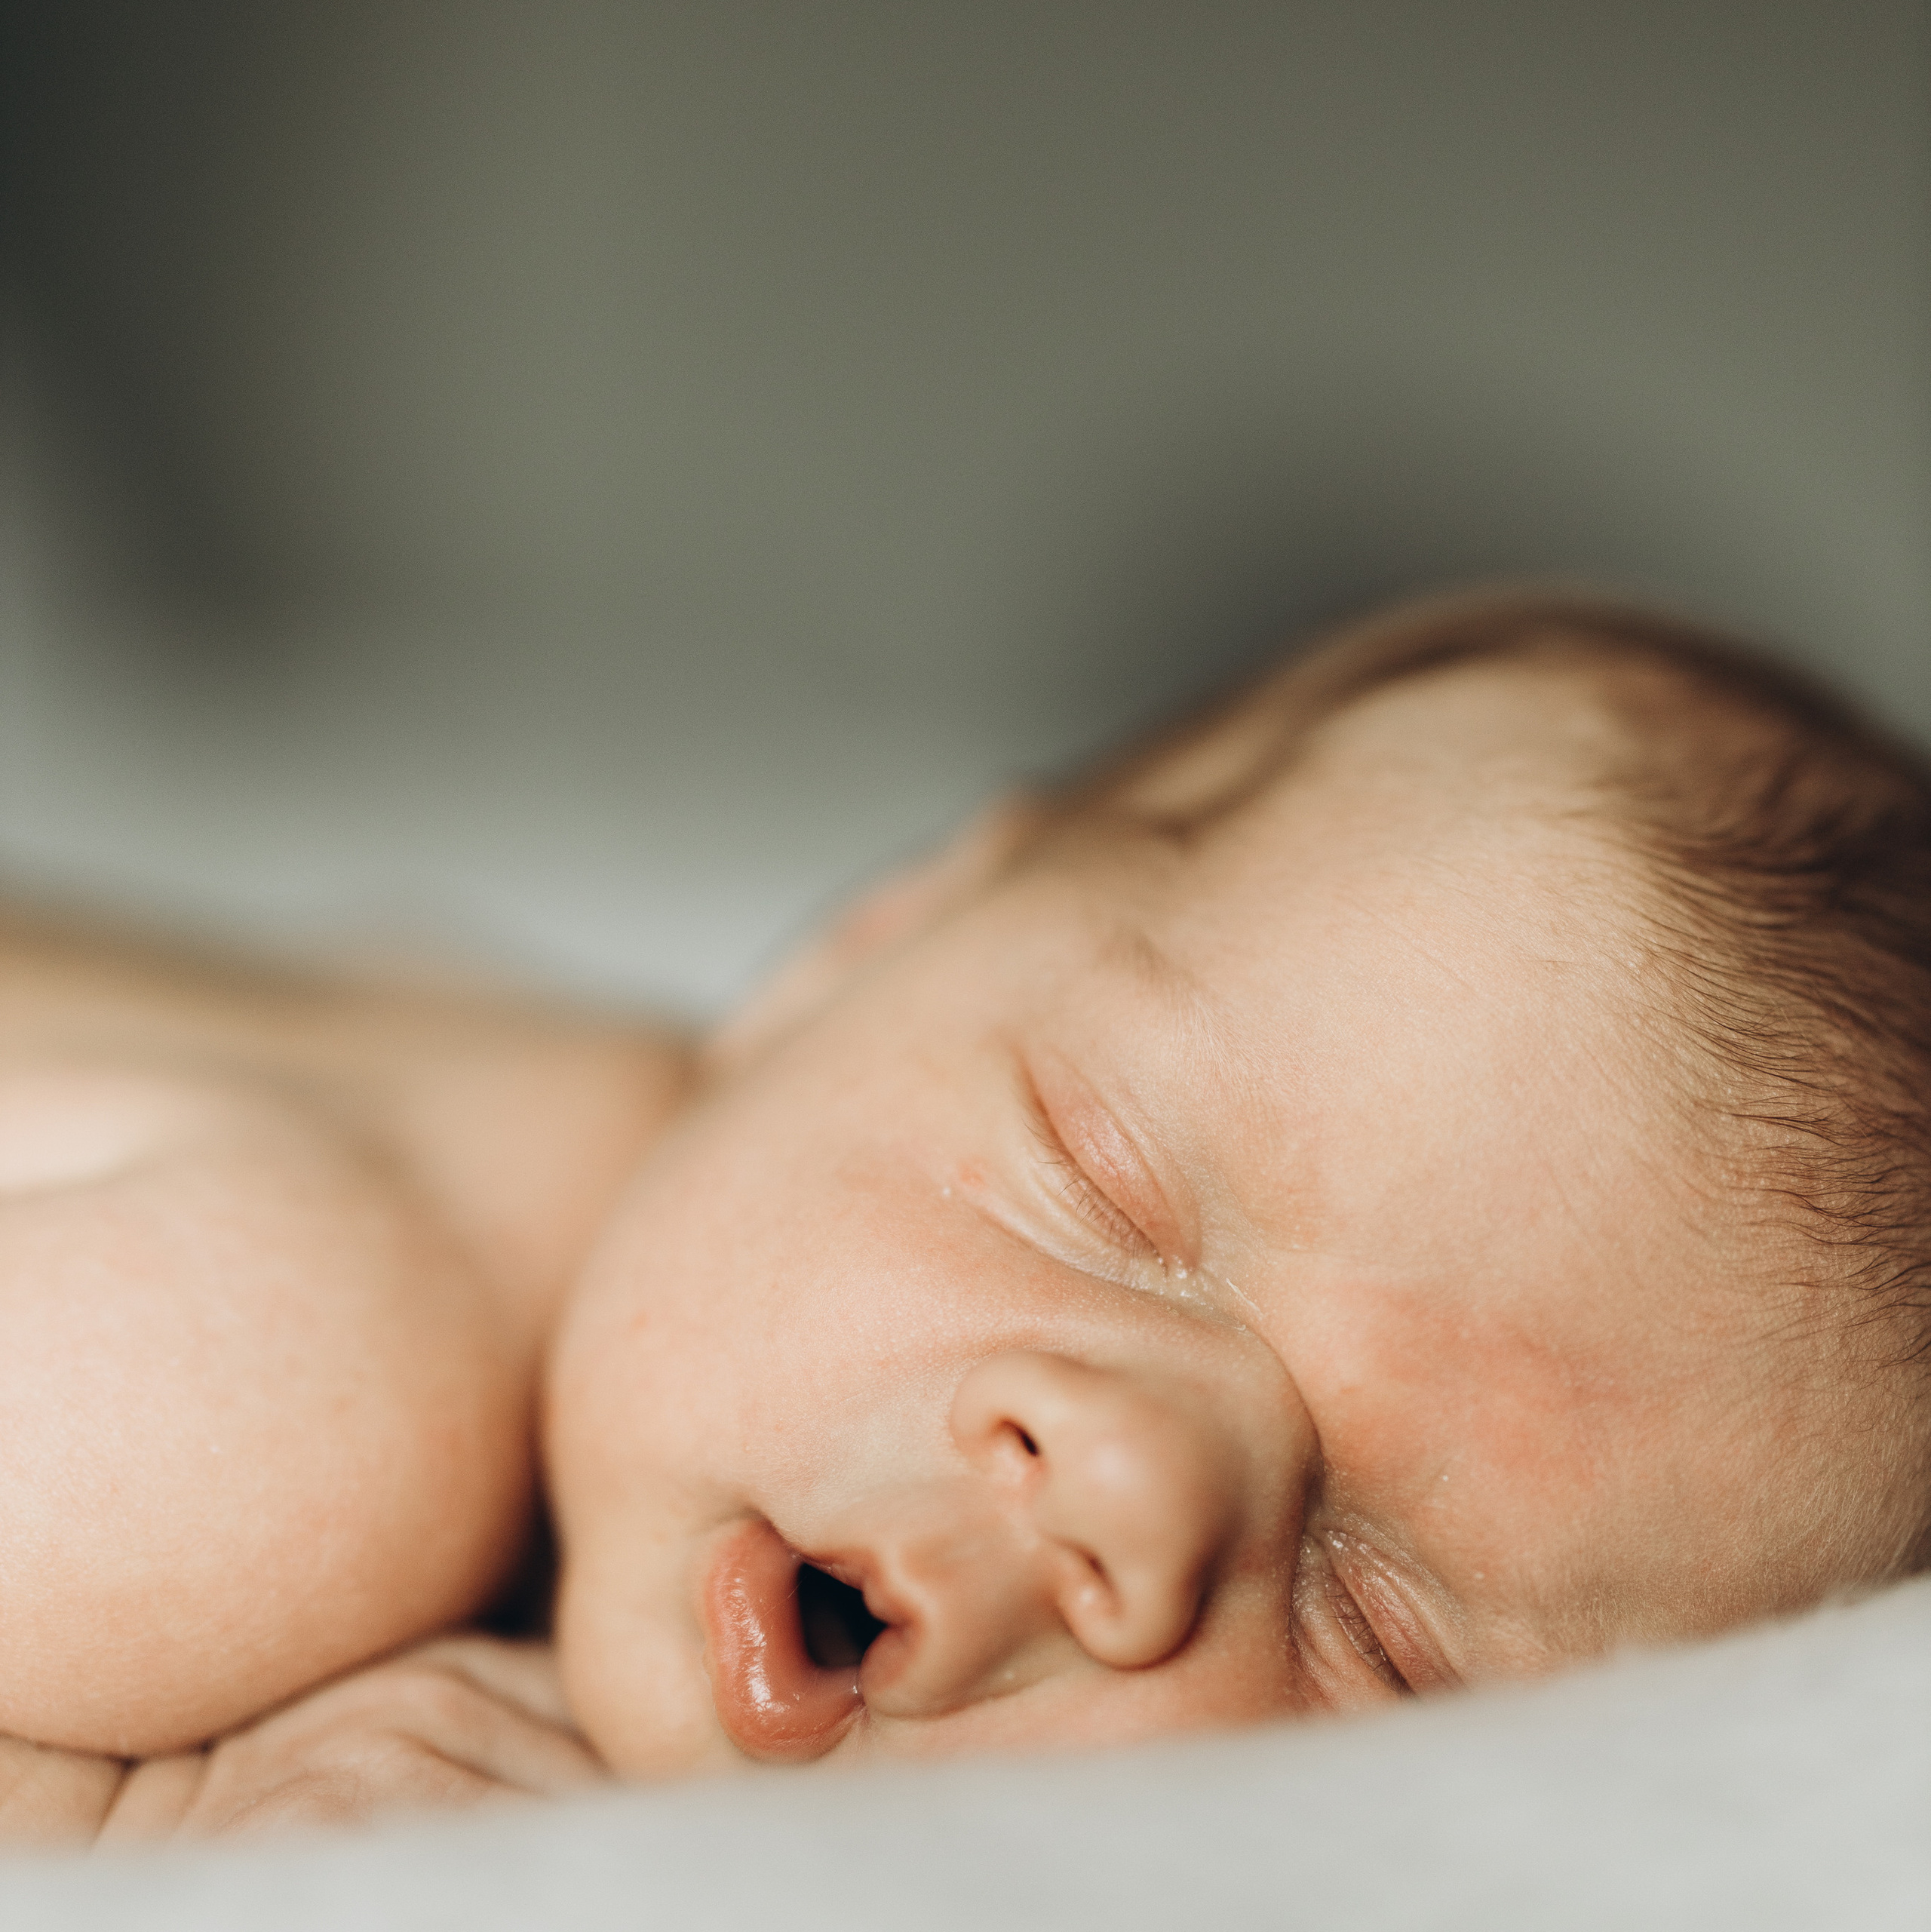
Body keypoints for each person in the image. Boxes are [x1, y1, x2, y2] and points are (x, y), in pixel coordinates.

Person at [2, 589, 1926, 1842]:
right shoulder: (295, 1378)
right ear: (865, 947)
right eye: (1098, 1184)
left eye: (1380, 1640)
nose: (1117, 1484)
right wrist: (134, 1824)